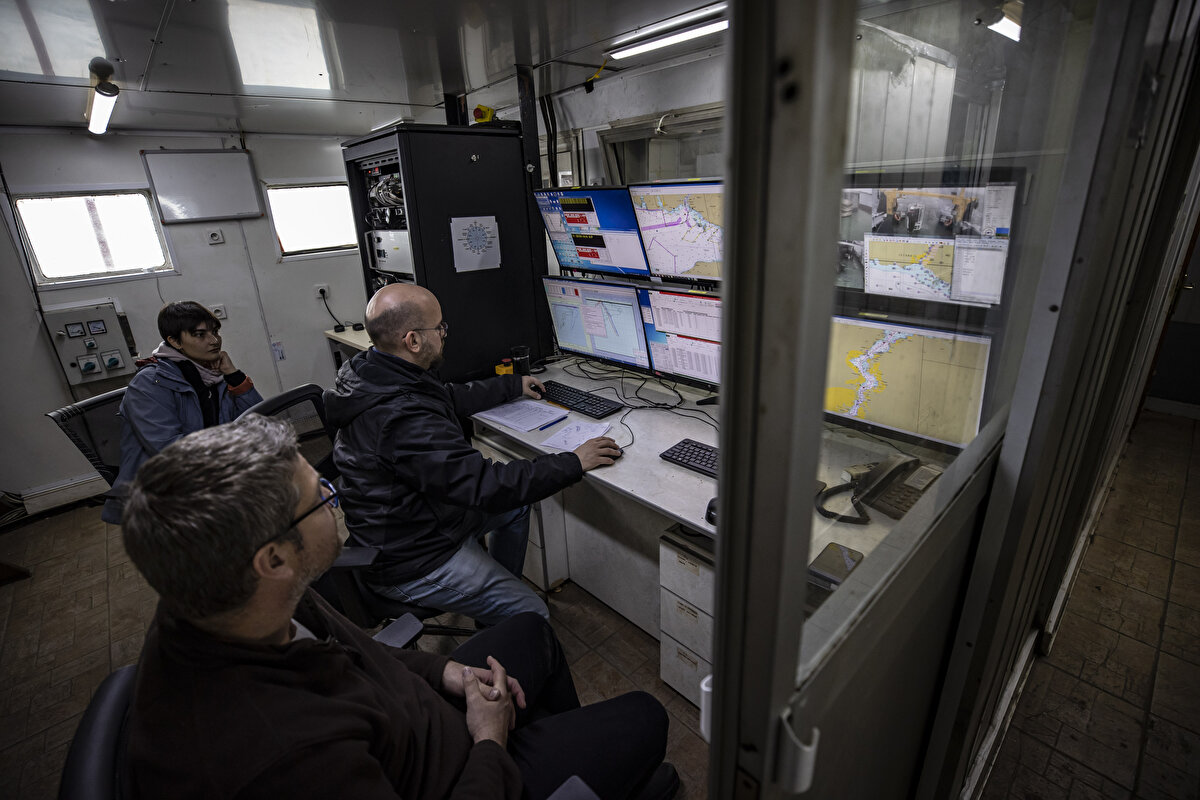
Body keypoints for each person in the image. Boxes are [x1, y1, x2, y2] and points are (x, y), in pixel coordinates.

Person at [120, 414, 676, 800]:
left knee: (532, 629)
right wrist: (491, 742)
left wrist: (448, 670)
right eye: (323, 498)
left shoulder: (241, 600)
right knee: (644, 717)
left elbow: (364, 655)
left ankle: (560, 756)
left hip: (425, 725)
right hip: (464, 776)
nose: (339, 506)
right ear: (273, 558)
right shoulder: (285, 757)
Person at [324, 284, 622, 625]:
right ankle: (502, 628)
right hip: (414, 556)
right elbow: (486, 486)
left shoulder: (376, 372)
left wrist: (512, 385)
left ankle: (491, 611)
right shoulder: (401, 416)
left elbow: (445, 398)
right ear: (414, 341)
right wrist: (574, 461)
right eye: (440, 327)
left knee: (516, 509)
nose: (445, 333)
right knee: (532, 614)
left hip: (417, 521)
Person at [102, 300, 261, 523]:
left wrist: (233, 375)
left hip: (211, 472)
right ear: (174, 341)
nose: (214, 341)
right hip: (166, 491)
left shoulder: (213, 373)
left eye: (214, 332)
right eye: (200, 334)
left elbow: (259, 421)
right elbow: (170, 449)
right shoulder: (149, 383)